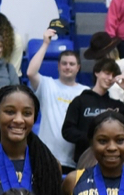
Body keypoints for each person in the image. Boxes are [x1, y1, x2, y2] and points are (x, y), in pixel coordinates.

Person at [27, 29, 86, 171]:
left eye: (72, 64)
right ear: (58, 66)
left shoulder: (86, 92)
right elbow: (30, 72)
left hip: (73, 159)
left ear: (78, 68)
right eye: (64, 63)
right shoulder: (47, 84)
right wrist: (46, 44)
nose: (67, 67)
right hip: (46, 156)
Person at [62, 57, 124, 165]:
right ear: (97, 73)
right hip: (85, 160)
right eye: (107, 73)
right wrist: (93, 139)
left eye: (113, 76)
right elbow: (67, 131)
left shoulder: (116, 104)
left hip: (112, 161)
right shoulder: (80, 101)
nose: (110, 78)